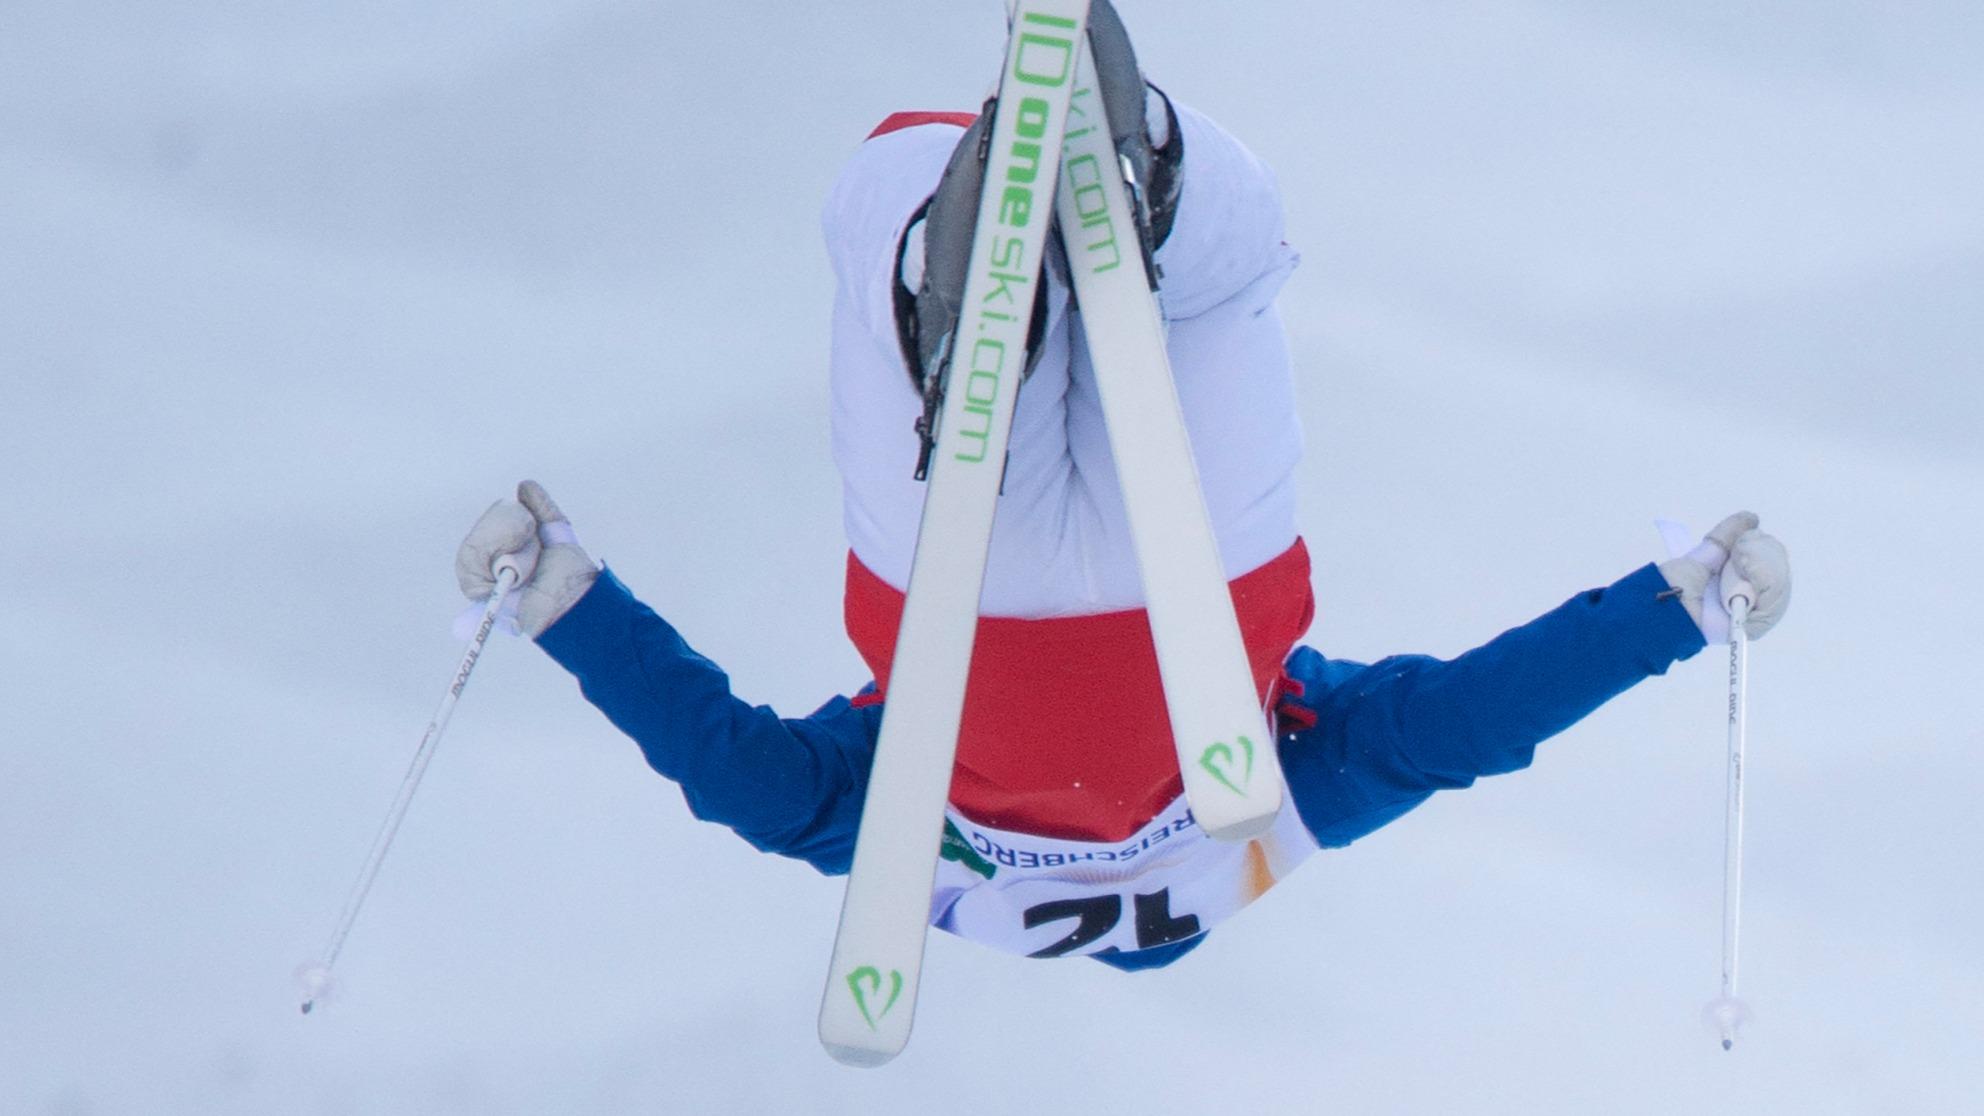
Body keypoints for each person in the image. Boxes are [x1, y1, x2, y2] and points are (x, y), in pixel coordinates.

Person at [453, 2, 1791, 971]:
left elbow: (1449, 731)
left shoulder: (1258, 851)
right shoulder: (936, 880)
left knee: (1232, 270)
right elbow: (750, 779)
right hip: (963, 613)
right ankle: (941, 267)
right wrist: (566, 601)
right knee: (876, 210)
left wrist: (1675, 608)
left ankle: (1144, 174)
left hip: (1209, 580)